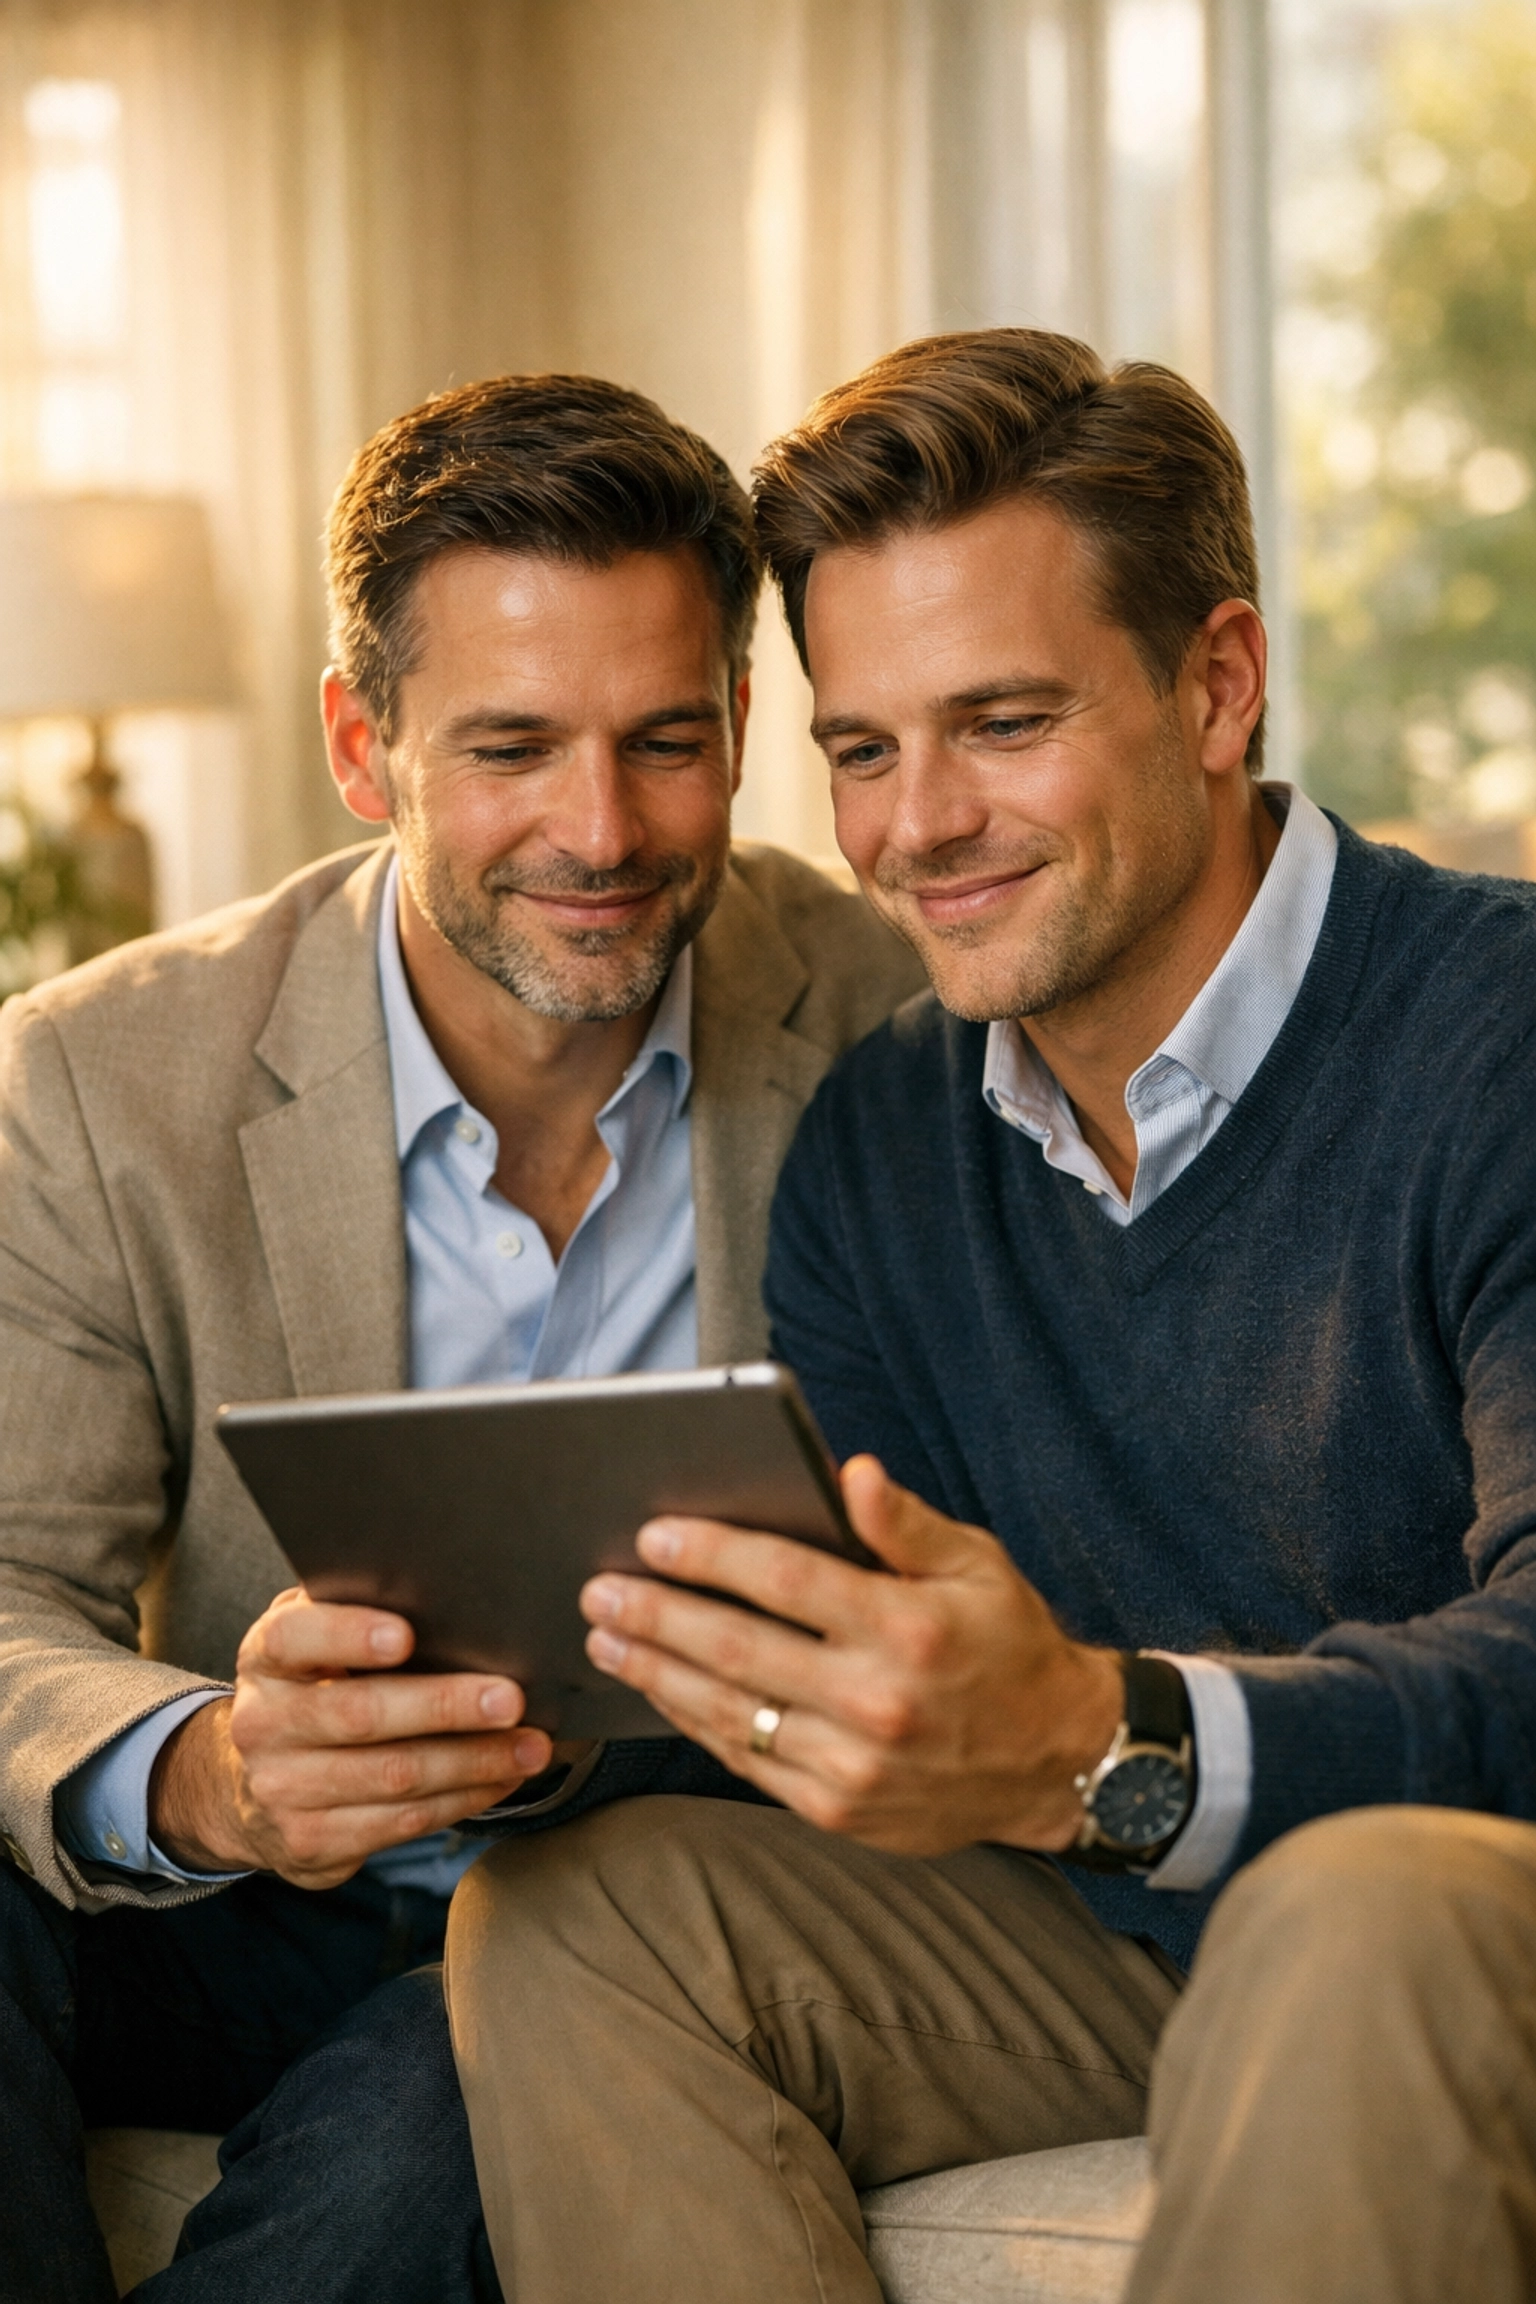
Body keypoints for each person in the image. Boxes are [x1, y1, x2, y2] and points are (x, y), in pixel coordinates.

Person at [445, 330, 1536, 2304]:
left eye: (1002, 723)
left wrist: (1109, 1746)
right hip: (1129, 1920)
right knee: (580, 1913)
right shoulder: (883, 1145)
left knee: (1351, 1909)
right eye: (863, 751)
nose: (918, 825)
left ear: (1219, 684)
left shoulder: (1500, 1040)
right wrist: (507, 1717)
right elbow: (877, 1679)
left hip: (1457, 1899)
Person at [0, 371, 920, 2304]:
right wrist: (212, 1772)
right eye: (512, 747)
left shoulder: (897, 1012)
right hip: (240, 1896)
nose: (601, 830)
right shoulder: (92, 1081)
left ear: (742, 723)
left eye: (666, 742)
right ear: (366, 745)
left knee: (466, 2089)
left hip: (636, 1897)